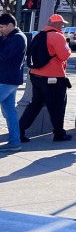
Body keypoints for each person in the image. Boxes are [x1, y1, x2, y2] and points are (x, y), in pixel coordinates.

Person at [18, 13, 72, 142]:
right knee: (58, 106)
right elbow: (64, 56)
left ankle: (19, 130)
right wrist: (69, 49)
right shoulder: (58, 37)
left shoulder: (39, 35)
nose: (63, 26)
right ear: (55, 24)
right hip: (53, 76)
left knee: (35, 104)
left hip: (36, 75)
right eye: (61, 23)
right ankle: (59, 133)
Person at [0, 13, 27, 152]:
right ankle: (15, 142)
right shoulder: (10, 37)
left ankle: (15, 142)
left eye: (2, 27)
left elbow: (4, 56)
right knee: (10, 112)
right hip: (7, 79)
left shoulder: (17, 38)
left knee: (10, 112)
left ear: (11, 25)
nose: (1, 29)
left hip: (7, 80)